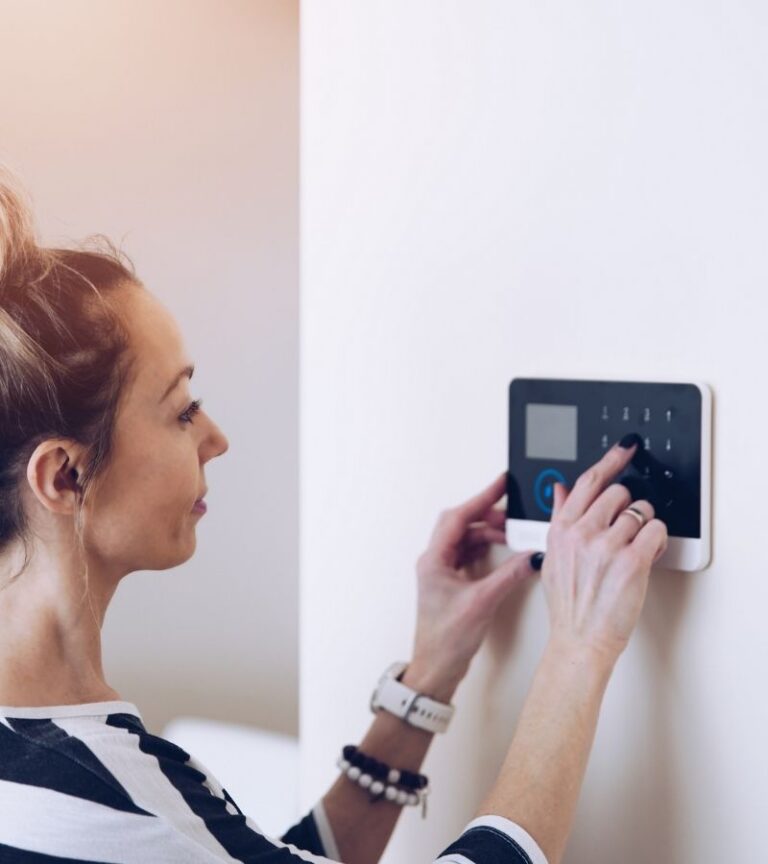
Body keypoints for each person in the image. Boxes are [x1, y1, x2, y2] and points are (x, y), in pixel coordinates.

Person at [0, 167, 667, 864]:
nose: (215, 438)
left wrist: (428, 676)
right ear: (65, 475)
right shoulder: (104, 792)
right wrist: (578, 648)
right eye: (182, 410)